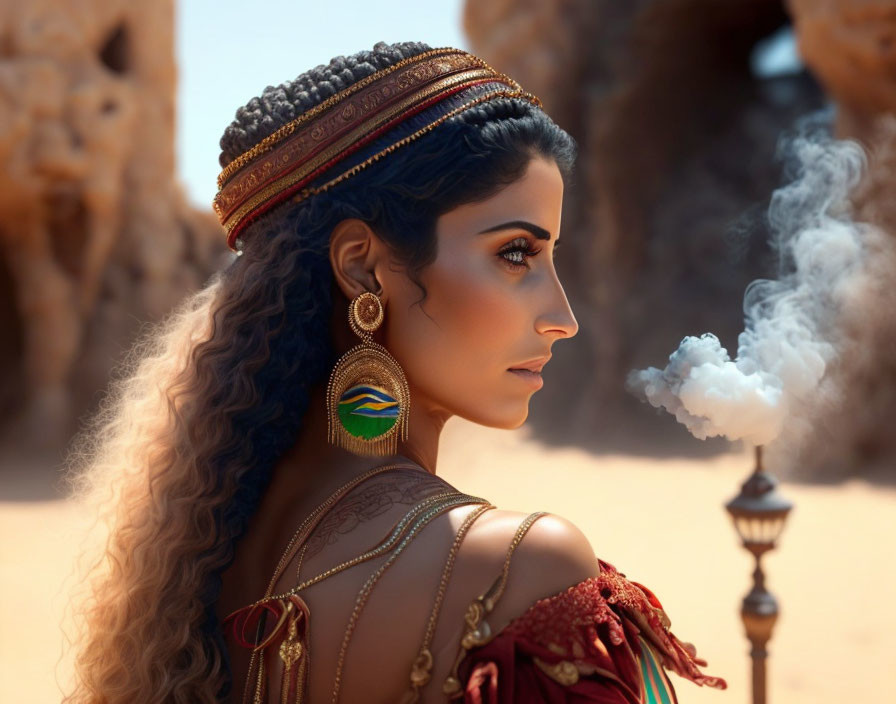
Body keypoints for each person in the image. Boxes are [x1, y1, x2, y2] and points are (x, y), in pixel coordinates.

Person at [63, 41, 727, 703]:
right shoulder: (519, 570)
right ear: (361, 266)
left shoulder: (198, 559)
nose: (562, 316)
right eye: (516, 252)